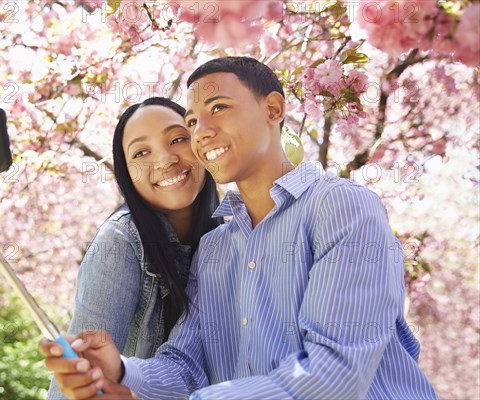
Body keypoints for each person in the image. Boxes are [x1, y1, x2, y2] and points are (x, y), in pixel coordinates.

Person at [40, 57, 437, 399]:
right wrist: (125, 372)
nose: (202, 131)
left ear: (274, 109)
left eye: (219, 108)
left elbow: (334, 373)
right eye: (192, 121)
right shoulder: (214, 248)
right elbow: (184, 364)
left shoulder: (341, 206)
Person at [43, 97, 222, 399]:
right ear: (127, 175)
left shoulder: (231, 233)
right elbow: (82, 376)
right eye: (141, 152)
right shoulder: (121, 241)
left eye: (178, 139)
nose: (165, 160)